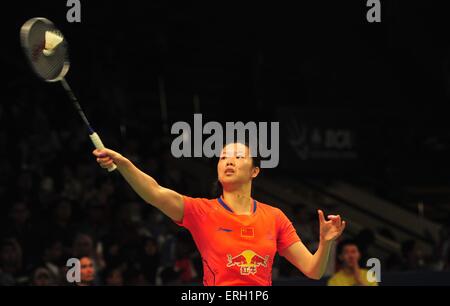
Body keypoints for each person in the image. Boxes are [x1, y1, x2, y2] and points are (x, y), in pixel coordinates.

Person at [93, 142, 346, 286]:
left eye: (238, 156)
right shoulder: (201, 211)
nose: (228, 161)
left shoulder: (275, 217)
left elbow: (313, 270)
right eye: (223, 157)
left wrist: (325, 243)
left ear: (254, 171)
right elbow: (154, 192)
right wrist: (124, 164)